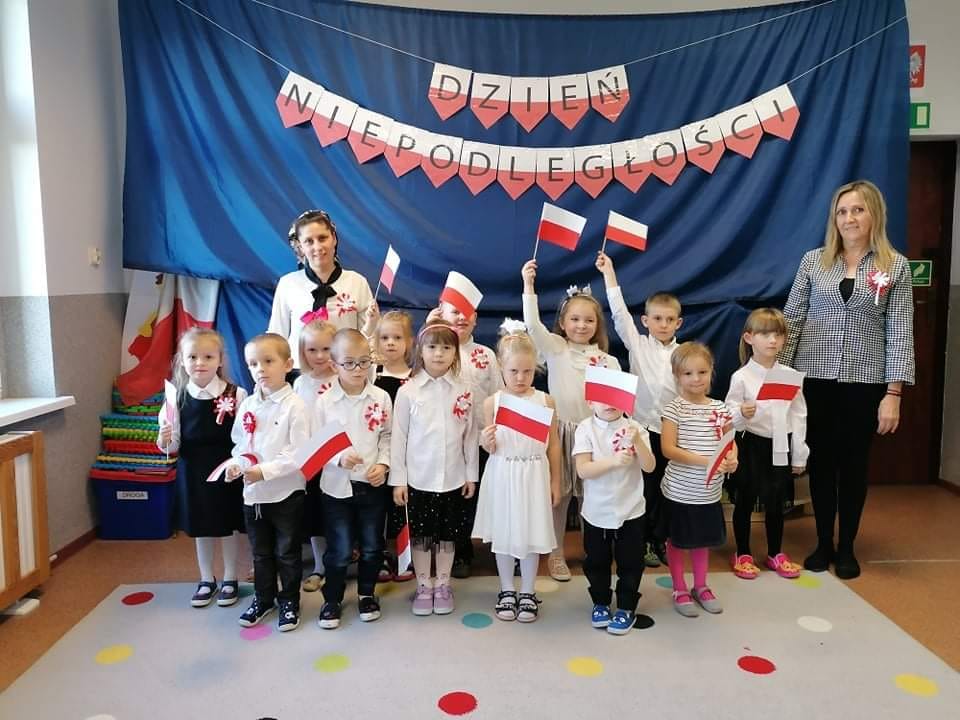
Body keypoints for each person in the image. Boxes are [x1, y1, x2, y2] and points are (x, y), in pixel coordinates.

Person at [781, 180, 914, 579]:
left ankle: (847, 547)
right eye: (842, 211)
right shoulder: (813, 262)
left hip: (865, 383)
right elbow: (793, 319)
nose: (849, 218)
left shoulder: (895, 266)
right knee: (821, 463)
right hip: (815, 379)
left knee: (854, 466)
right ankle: (823, 541)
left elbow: (900, 331)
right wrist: (780, 382)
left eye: (858, 210)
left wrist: (893, 393)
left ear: (874, 214)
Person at [521, 258, 621, 581]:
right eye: (575, 319)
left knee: (593, 495)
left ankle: (595, 552)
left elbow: (618, 405)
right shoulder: (556, 348)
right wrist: (528, 285)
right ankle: (556, 553)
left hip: (595, 434)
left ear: (597, 325)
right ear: (563, 323)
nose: (581, 325)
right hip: (561, 432)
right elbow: (533, 326)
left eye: (588, 320)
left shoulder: (607, 360)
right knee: (560, 496)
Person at [596, 251, 680, 568]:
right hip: (639, 429)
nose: (663, 324)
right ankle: (641, 541)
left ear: (678, 323)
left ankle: (660, 539)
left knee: (666, 487)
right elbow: (619, 313)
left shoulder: (684, 353)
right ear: (645, 321)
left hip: (670, 431)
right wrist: (609, 274)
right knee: (642, 487)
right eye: (657, 319)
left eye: (669, 319)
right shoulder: (638, 344)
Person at [472, 322, 561, 623]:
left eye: (527, 371)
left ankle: (527, 591)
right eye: (513, 371)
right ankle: (507, 589)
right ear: (501, 366)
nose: (521, 377)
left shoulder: (545, 401)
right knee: (505, 532)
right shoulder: (492, 403)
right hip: (503, 473)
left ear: (536, 368)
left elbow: (553, 444)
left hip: (534, 473)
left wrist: (556, 481)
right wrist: (487, 442)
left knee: (531, 531)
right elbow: (490, 445)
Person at [390, 320, 479, 617]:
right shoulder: (409, 391)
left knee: (446, 536)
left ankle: (442, 584)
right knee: (422, 537)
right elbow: (399, 437)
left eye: (446, 347)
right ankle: (423, 585)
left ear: (455, 352)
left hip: (453, 478)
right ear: (420, 350)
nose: (439, 353)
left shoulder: (464, 391)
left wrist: (471, 475)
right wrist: (399, 480)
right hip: (419, 479)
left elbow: (470, 436)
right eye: (432, 347)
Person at [158, 328, 247, 608]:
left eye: (208, 356)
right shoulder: (176, 398)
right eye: (192, 357)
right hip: (193, 471)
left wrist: (239, 463)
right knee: (202, 527)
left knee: (229, 525)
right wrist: (164, 439)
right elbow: (172, 445)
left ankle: (231, 577)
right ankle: (206, 578)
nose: (200, 363)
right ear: (182, 361)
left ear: (220, 360)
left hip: (227, 469)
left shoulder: (237, 394)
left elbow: (244, 437)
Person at [230, 334, 310, 632]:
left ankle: (289, 601)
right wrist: (237, 465)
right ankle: (264, 598)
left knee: (287, 553)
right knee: (260, 553)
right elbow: (239, 443)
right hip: (253, 495)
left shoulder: (295, 406)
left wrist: (263, 471)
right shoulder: (248, 404)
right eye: (253, 364)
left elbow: (298, 453)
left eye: (267, 361)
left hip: (285, 493)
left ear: (287, 365)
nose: (260, 369)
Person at [314, 330, 392, 629]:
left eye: (364, 362)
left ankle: (366, 593)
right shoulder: (325, 402)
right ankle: (332, 599)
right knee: (340, 549)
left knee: (372, 546)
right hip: (336, 488)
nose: (358, 369)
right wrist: (338, 458)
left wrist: (383, 464)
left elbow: (388, 437)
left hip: (371, 485)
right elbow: (317, 443)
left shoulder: (381, 397)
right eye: (349, 363)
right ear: (334, 365)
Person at [726, 309, 808, 580]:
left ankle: (775, 552)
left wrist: (799, 454)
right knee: (745, 500)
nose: (772, 340)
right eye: (765, 334)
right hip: (751, 446)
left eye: (778, 334)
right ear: (749, 337)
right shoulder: (741, 376)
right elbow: (728, 413)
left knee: (776, 502)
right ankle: (743, 552)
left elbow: (798, 415)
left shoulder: (789, 375)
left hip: (780, 446)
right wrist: (741, 412)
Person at [427, 288, 502, 579]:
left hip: (480, 439)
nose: (461, 318)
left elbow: (498, 395)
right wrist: (431, 331)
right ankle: (454, 550)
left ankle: (488, 548)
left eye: (466, 312)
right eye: (454, 311)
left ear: (476, 318)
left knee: (476, 495)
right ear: (441, 313)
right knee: (450, 498)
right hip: (445, 440)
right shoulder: (434, 350)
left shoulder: (486, 355)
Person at [660, 342, 738, 617]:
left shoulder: (720, 408)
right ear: (677, 376)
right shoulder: (674, 409)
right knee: (678, 540)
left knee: (702, 541)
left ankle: (701, 586)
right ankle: (679, 588)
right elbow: (668, 449)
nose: (696, 379)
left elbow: (730, 442)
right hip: (680, 492)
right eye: (688, 373)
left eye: (702, 372)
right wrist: (707, 461)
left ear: (711, 372)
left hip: (709, 493)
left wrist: (732, 458)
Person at [573, 396, 656, 635]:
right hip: (596, 511)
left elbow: (649, 466)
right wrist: (614, 461)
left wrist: (637, 441)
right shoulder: (585, 428)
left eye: (615, 397)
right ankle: (600, 602)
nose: (609, 403)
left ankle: (626, 607)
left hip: (631, 510)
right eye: (601, 398)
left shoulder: (635, 427)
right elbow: (583, 469)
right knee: (596, 561)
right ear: (590, 402)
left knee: (631, 562)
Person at [268, 210, 374, 368]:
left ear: (334, 238)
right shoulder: (288, 284)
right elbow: (277, 337)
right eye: (309, 241)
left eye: (322, 238)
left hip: (344, 372)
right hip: (299, 373)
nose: (317, 247)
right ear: (300, 247)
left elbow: (367, 338)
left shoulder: (357, 282)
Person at [292, 317, 338, 592]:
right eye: (312, 350)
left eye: (326, 349)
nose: (320, 356)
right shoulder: (300, 383)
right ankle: (320, 565)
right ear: (303, 352)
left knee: (337, 513)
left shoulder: (343, 378)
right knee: (314, 515)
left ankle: (339, 560)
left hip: (339, 457)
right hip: (312, 459)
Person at [371, 310, 415, 582]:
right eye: (384, 337)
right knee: (377, 510)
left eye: (397, 338)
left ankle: (404, 557)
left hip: (406, 453)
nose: (390, 343)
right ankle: (378, 557)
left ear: (409, 342)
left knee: (401, 508)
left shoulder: (415, 377)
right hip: (377, 452)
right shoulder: (371, 375)